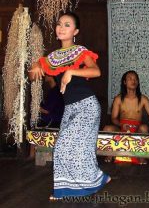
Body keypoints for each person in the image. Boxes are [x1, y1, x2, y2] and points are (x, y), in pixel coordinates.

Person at [29, 12, 110, 200]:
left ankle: (71, 188)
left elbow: (96, 71)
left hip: (87, 106)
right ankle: (96, 180)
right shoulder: (51, 58)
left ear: (76, 31)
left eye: (67, 25)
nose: (61, 27)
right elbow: (33, 75)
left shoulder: (80, 52)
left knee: (63, 146)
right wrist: (35, 67)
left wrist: (71, 71)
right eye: (59, 24)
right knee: (80, 149)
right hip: (70, 108)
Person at [103, 70, 149, 164]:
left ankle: (140, 156)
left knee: (144, 127)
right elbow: (113, 118)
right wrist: (121, 124)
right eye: (130, 79)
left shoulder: (143, 99)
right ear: (124, 82)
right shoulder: (118, 99)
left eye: (135, 79)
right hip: (122, 128)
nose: (133, 81)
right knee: (107, 128)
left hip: (137, 130)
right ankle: (110, 154)